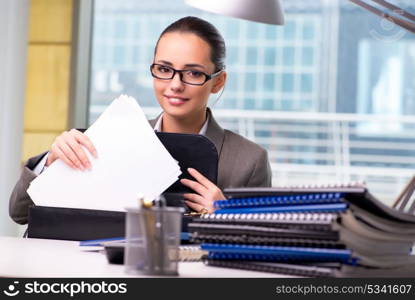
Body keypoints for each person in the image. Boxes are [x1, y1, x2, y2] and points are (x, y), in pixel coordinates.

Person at [9, 16, 272, 224]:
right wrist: (50, 164)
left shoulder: (249, 161)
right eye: (164, 69)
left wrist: (224, 217)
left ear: (218, 82)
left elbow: (264, 251)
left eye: (193, 72)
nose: (175, 85)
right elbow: (19, 213)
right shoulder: (111, 139)